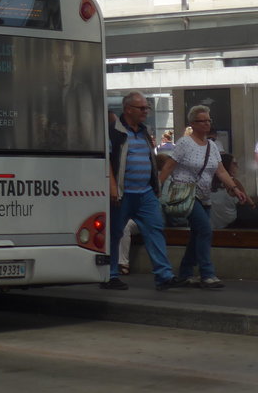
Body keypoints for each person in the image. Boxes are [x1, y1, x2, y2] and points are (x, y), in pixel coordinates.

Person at [158, 107, 253, 287]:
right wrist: (158, 186)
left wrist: (234, 188)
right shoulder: (185, 143)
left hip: (204, 196)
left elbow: (221, 171)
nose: (207, 124)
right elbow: (169, 166)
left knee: (197, 234)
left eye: (209, 120)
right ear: (193, 124)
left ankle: (185, 273)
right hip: (186, 194)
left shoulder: (212, 146)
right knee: (205, 230)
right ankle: (207, 274)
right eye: (203, 121)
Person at [105, 92, 176, 290]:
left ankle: (164, 275)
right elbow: (106, 162)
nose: (146, 111)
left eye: (147, 108)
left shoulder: (144, 131)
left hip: (145, 193)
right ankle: (109, 275)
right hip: (123, 193)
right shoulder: (114, 131)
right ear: (128, 109)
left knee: (155, 230)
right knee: (115, 233)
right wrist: (112, 186)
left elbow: (151, 160)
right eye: (142, 108)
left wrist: (155, 185)